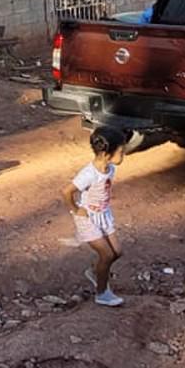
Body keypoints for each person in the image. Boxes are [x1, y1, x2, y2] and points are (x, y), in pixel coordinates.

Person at [62, 127, 126, 307]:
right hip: (88, 218)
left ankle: (95, 271)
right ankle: (102, 293)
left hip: (104, 214)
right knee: (106, 254)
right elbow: (66, 191)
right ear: (107, 153)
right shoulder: (89, 174)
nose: (123, 155)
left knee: (117, 252)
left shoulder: (110, 168)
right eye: (121, 151)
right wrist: (75, 209)